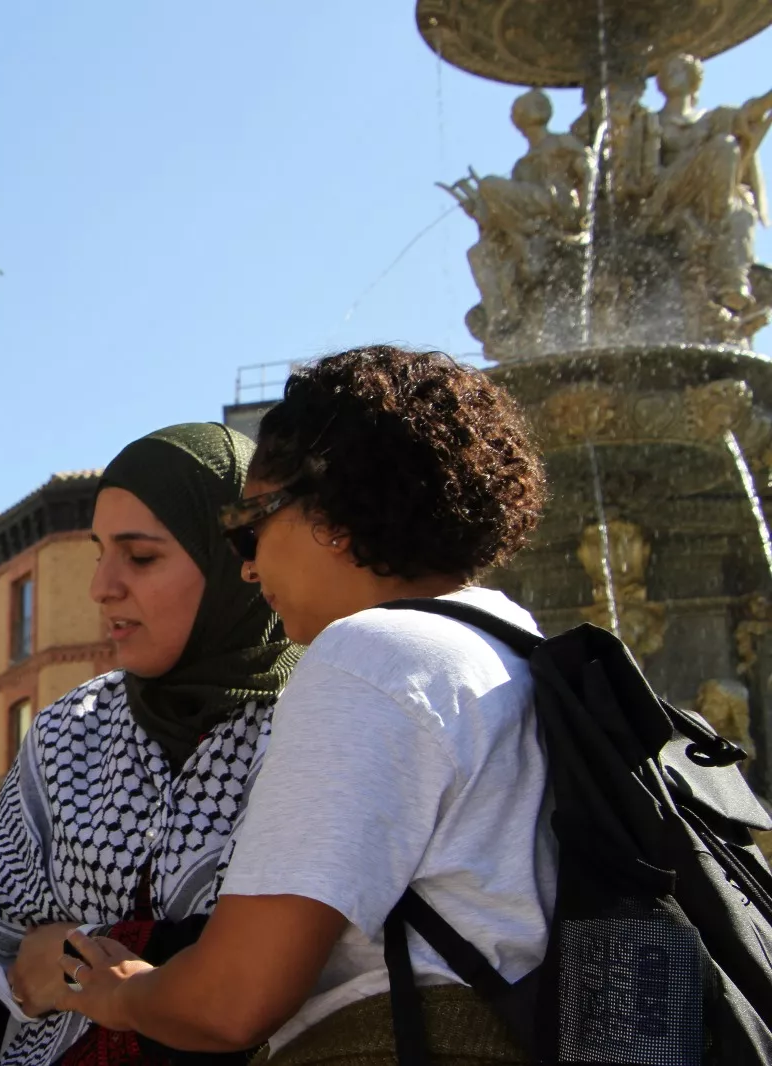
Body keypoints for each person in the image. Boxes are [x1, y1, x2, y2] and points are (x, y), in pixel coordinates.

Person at [58, 347, 550, 1065]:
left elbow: (231, 1000)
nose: (249, 563)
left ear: (333, 513)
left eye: (249, 525)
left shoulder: (369, 657)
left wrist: (118, 991)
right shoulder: (513, 645)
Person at [0, 423, 301, 1066]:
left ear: (235, 559)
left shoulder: (315, 720)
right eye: (98, 553)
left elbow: (289, 969)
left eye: (140, 557)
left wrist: (76, 954)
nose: (101, 586)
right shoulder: (67, 732)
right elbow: (7, 982)